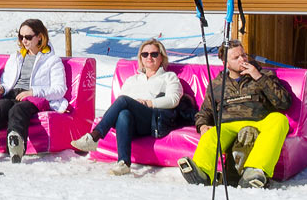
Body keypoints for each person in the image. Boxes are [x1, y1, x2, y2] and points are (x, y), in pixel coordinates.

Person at [179, 39, 292, 189]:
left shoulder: (263, 74)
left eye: (243, 55)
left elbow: (284, 102)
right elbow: (205, 111)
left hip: (259, 120)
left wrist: (258, 77)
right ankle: (202, 172)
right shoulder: (217, 84)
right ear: (226, 63)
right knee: (212, 134)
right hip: (228, 124)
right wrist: (203, 125)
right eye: (236, 57)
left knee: (279, 120)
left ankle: (255, 170)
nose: (243, 60)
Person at [71, 38, 191, 175]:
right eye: (145, 54)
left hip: (155, 120)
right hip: (132, 123)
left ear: (161, 57)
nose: (149, 57)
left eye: (154, 54)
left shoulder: (169, 77)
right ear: (140, 58)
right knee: (123, 114)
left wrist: (149, 103)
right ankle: (124, 163)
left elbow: (173, 99)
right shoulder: (132, 80)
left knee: (123, 101)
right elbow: (120, 104)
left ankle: (94, 136)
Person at [0, 18, 67, 164]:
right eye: (21, 37)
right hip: (12, 94)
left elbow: (60, 89)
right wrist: (0, 89)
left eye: (28, 37)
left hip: (34, 98)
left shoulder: (52, 60)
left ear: (40, 37)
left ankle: (16, 142)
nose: (24, 41)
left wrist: (33, 92)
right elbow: (7, 82)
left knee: (18, 110)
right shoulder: (16, 57)